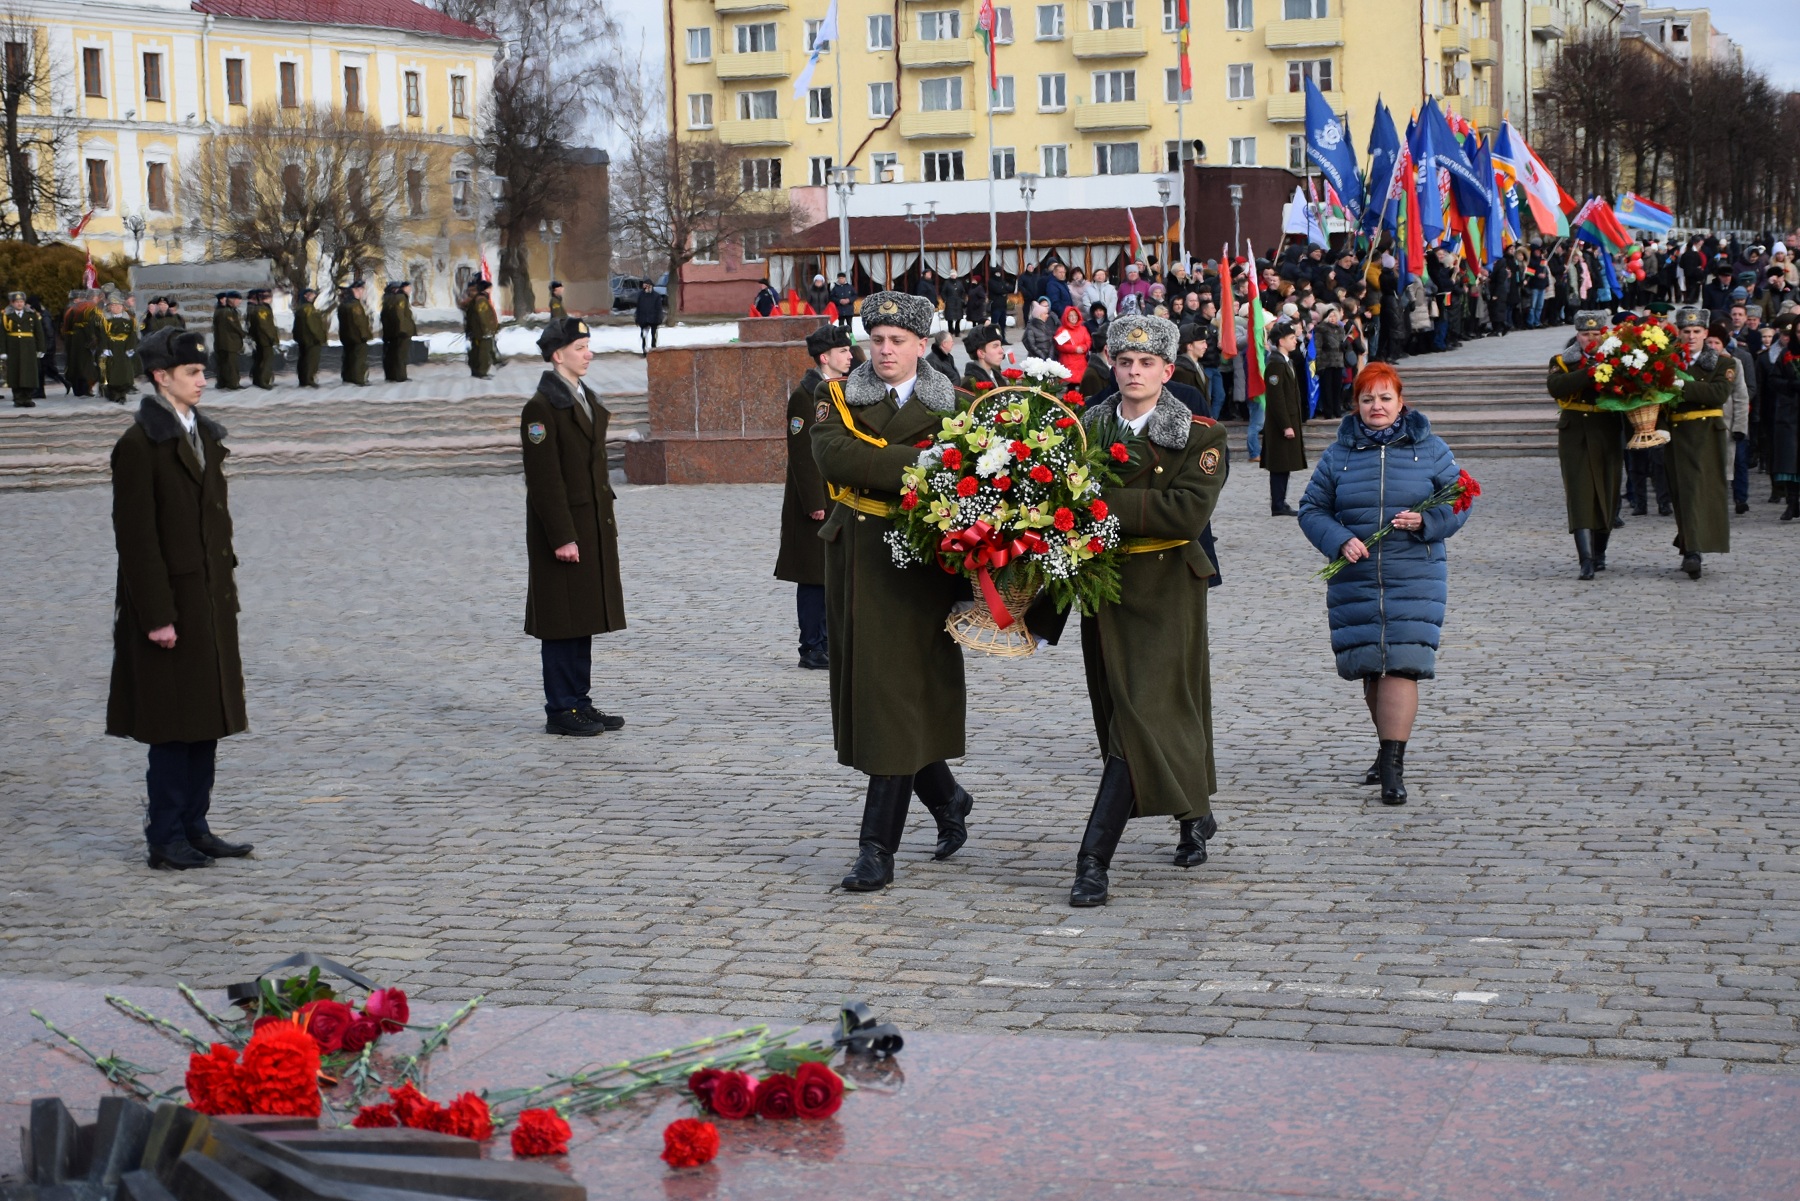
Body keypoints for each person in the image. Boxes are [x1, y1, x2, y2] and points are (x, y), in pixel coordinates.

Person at [1051, 315, 1230, 906]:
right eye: (1124, 362)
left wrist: (1094, 500)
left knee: (1146, 712)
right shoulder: (1084, 430)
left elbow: (1184, 514)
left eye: (1146, 363)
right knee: (1122, 712)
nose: (1133, 372)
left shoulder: (1199, 434)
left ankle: (1092, 862)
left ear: (1166, 371)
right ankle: (1192, 810)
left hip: (1167, 588)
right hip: (1103, 588)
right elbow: (1054, 500)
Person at [811, 290, 973, 892]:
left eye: (897, 341)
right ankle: (948, 798)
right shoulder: (834, 398)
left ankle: (876, 849)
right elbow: (835, 459)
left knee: (896, 698)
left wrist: (916, 463)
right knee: (886, 699)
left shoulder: (955, 404)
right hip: (858, 561)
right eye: (876, 340)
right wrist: (923, 461)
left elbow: (969, 470)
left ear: (922, 347)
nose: (884, 350)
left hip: (923, 566)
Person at [108, 326, 253, 870]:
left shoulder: (204, 435)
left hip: (209, 601)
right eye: (191, 373)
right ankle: (164, 835)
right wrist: (157, 617)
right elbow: (137, 541)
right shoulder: (139, 445)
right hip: (168, 608)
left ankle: (196, 824)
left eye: (202, 371)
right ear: (160, 377)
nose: (202, 381)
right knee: (172, 727)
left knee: (205, 720)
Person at [1298, 363, 1473, 805]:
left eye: (1385, 398)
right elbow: (1311, 509)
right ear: (1355, 405)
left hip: (1414, 572)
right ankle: (1384, 750)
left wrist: (1428, 520)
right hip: (1356, 575)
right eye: (1367, 398)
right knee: (1370, 665)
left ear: (1400, 401)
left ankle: (1394, 768)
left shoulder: (1430, 449)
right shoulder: (1338, 454)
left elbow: (1461, 498)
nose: (1376, 406)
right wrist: (1339, 540)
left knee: (1400, 663)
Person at [519, 315, 628, 735]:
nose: (590, 354)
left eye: (589, 347)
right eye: (581, 349)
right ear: (557, 354)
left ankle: (579, 701)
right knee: (561, 620)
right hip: (563, 532)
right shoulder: (541, 408)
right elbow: (544, 481)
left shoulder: (582, 397)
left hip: (590, 524)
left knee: (580, 617)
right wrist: (562, 536)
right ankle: (560, 709)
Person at [777, 324, 853, 671]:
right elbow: (802, 454)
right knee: (812, 577)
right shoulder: (804, 396)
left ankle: (828, 640)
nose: (850, 356)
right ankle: (811, 646)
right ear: (826, 357)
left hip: (840, 497)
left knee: (832, 574)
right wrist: (814, 503)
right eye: (843, 351)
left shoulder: (843, 389)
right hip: (817, 502)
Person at [1547, 311, 1625, 579]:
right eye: (1585, 334)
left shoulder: (1619, 359)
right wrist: (1591, 371)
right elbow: (1556, 386)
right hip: (1575, 433)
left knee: (1608, 492)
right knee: (1580, 495)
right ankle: (1586, 559)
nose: (1590, 339)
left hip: (1607, 430)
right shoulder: (1563, 361)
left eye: (1595, 334)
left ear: (1604, 334)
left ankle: (1600, 552)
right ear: (1577, 335)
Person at [1665, 306, 1733, 580]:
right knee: (1681, 492)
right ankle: (1689, 545)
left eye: (1696, 331)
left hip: (1707, 435)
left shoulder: (1722, 363)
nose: (1691, 336)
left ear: (1706, 333)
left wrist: (1681, 385)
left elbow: (1718, 393)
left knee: (1700, 491)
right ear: (1679, 334)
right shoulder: (1667, 362)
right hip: (1677, 432)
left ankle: (1694, 551)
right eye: (1686, 331)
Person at [1261, 321, 1306, 516]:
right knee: (1279, 464)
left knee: (1284, 463)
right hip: (1280, 424)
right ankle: (1278, 504)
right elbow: (1276, 398)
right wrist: (1286, 425)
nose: (1295, 341)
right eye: (1291, 338)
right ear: (1281, 341)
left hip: (1289, 419)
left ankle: (1281, 502)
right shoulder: (1275, 364)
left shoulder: (1286, 361)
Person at [4, 290, 40, 407]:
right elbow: (2, 334)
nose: (19, 304)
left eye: (21, 301)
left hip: (29, 348)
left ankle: (28, 397)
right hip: (13, 348)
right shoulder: (7, 316)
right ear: (12, 303)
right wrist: (3, 351)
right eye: (17, 302)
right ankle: (18, 398)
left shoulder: (31, 315)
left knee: (28, 373)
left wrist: (41, 348)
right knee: (15, 372)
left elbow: (39, 333)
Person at [381, 281, 416, 383]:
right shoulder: (400, 298)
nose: (410, 290)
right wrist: (402, 330)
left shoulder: (388, 299)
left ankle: (392, 375)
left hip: (391, 332)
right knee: (400, 355)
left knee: (393, 355)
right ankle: (400, 376)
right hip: (400, 332)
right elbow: (400, 316)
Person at [338, 280, 373, 385]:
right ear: (355, 290)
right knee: (358, 358)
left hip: (347, 336)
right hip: (357, 337)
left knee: (348, 357)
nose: (362, 292)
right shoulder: (355, 305)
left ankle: (348, 377)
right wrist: (364, 335)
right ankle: (358, 378)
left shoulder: (343, 304)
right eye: (361, 289)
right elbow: (359, 322)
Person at [464, 279, 499, 377]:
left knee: (477, 351)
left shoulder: (478, 299)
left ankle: (476, 371)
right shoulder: (481, 300)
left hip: (477, 331)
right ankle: (482, 372)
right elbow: (483, 316)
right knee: (484, 352)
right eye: (489, 288)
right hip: (482, 331)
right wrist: (487, 329)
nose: (491, 290)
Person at [292, 287, 326, 387]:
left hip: (304, 339)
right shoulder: (308, 308)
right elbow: (312, 325)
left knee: (303, 359)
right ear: (306, 296)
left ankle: (303, 379)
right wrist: (319, 337)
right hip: (311, 339)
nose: (314, 296)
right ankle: (309, 380)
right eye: (311, 294)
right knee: (311, 360)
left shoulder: (301, 308)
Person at [245, 289, 278, 389]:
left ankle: (260, 380)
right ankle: (263, 381)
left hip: (262, 338)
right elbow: (264, 325)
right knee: (266, 360)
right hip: (264, 339)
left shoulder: (262, 308)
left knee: (262, 359)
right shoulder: (262, 309)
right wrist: (271, 337)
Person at [211, 291, 244, 390]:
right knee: (231, 365)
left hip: (223, 343)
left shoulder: (221, 310)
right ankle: (233, 383)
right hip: (229, 343)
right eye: (238, 300)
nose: (239, 302)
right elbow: (233, 326)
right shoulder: (226, 312)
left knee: (224, 364)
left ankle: (222, 383)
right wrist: (244, 334)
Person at [961, 323, 1006, 390]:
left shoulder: (995, 376)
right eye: (995, 346)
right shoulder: (971, 383)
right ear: (981, 353)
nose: (1001, 351)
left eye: (1000, 346)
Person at [1053, 305, 1091, 379]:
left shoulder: (1083, 329)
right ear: (1066, 317)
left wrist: (1084, 348)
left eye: (1075, 315)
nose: (1074, 317)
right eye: (1071, 316)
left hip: (1081, 362)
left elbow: (1088, 341)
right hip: (1067, 361)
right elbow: (1059, 346)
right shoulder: (1062, 330)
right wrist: (1074, 349)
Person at [634, 278, 665, 354]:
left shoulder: (656, 296)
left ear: (651, 286)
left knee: (653, 335)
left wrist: (659, 318)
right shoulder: (641, 295)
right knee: (644, 335)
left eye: (648, 285)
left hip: (653, 318)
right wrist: (637, 318)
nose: (646, 287)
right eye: (645, 285)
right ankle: (644, 349)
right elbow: (638, 308)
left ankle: (653, 349)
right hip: (643, 319)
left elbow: (659, 308)